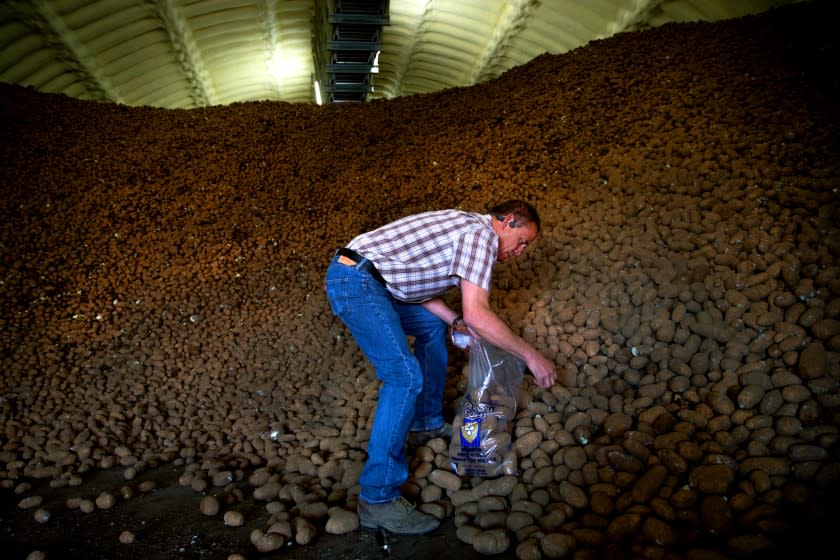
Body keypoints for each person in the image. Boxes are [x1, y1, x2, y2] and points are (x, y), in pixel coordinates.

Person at [324, 200, 557, 535]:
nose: (520, 252)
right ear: (506, 222)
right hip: (357, 282)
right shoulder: (482, 237)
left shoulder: (466, 230)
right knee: (403, 377)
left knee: (432, 328)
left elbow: (414, 284)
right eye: (522, 241)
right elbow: (479, 313)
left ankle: (426, 421)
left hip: (372, 280)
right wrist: (531, 357)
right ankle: (377, 499)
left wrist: (455, 322)